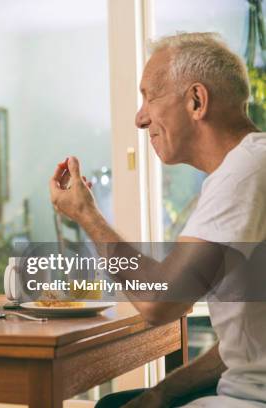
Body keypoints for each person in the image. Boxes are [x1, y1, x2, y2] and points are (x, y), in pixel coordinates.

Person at [50, 33, 266, 407]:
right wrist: (158, 394)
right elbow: (246, 349)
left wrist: (86, 213)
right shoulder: (246, 166)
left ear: (197, 101)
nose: (140, 117)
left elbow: (160, 303)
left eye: (150, 96)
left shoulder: (244, 173)